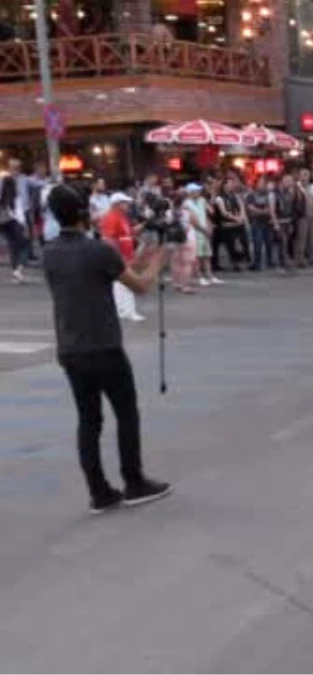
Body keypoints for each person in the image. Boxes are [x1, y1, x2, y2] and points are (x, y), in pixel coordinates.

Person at [41, 184, 172, 513]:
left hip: (71, 347)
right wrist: (160, 260)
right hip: (104, 345)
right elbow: (140, 285)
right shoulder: (98, 251)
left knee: (89, 421)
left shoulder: (49, 252)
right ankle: (134, 481)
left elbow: (103, 274)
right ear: (85, 212)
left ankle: (99, 491)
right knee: (126, 412)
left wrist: (140, 256)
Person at [98, 192, 146, 322]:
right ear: (117, 204)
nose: (128, 205)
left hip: (125, 255)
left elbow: (129, 233)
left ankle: (123, 310)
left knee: (120, 285)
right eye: (125, 203)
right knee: (125, 283)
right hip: (120, 256)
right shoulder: (111, 217)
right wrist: (117, 256)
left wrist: (145, 225)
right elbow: (108, 239)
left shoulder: (121, 217)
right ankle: (128, 311)